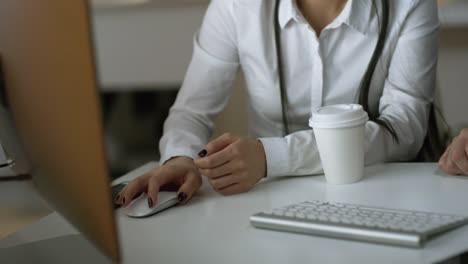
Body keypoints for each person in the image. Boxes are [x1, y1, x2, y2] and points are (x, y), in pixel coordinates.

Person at [115, 0, 439, 207]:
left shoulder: (411, 5)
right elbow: (191, 111)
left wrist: (273, 157)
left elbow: (404, 128)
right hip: (267, 201)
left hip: (378, 196)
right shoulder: (236, 6)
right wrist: (180, 156)